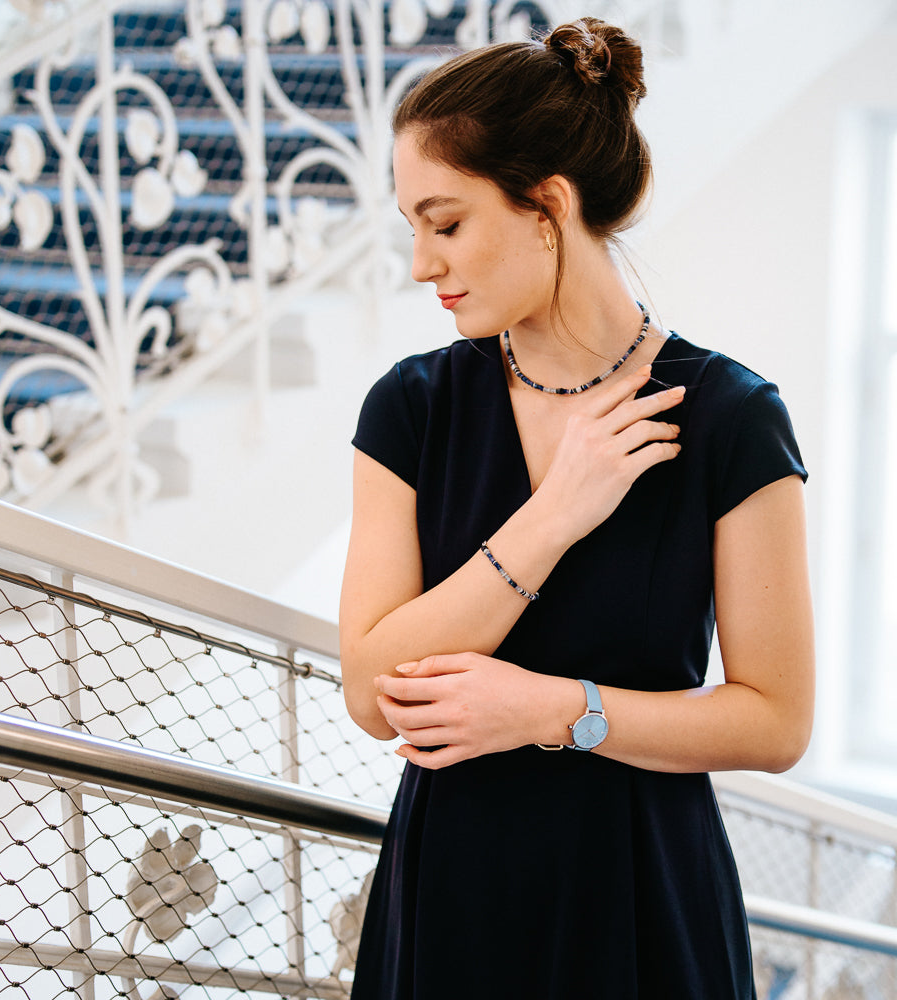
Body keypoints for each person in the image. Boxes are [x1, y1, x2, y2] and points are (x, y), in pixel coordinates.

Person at [339, 17, 814, 999]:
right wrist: (553, 513)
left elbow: (774, 720)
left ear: (546, 205)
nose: (422, 263)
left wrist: (556, 710)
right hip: (452, 892)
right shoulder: (410, 408)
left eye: (447, 221)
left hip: (642, 893)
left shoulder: (731, 417)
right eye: (413, 229)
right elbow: (370, 690)